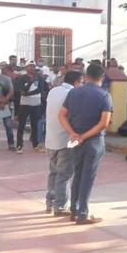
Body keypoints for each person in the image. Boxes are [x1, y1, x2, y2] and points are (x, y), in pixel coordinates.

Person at [59, 63, 113, 225]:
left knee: (78, 173)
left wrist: (73, 133)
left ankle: (74, 210)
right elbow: (104, 123)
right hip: (93, 140)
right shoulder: (104, 95)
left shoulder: (74, 92)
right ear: (102, 78)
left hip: (76, 139)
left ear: (86, 76)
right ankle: (83, 212)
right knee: (88, 177)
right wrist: (85, 136)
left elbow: (61, 115)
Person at [45, 70, 83, 216]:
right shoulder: (73, 94)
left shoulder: (53, 91)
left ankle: (50, 201)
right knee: (64, 174)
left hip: (51, 138)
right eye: (81, 83)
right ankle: (60, 206)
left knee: (53, 172)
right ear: (77, 82)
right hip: (65, 140)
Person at [16, 62, 46, 154]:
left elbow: (40, 90)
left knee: (35, 125)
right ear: (26, 67)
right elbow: (22, 90)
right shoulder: (22, 78)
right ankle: (19, 145)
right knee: (21, 125)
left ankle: (36, 145)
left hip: (36, 104)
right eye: (29, 66)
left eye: (33, 66)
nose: (31, 68)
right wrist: (30, 82)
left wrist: (28, 94)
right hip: (24, 104)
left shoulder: (39, 78)